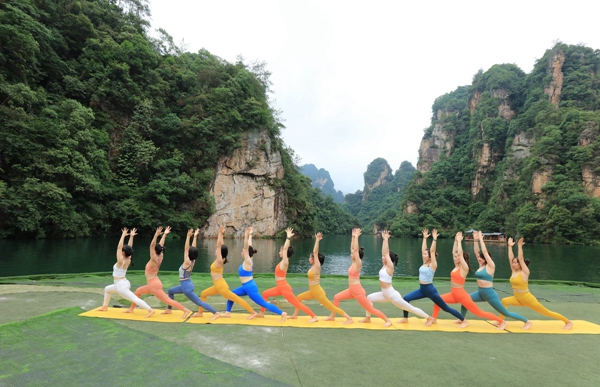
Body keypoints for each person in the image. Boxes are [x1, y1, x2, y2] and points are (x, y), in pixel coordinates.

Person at [428, 232, 506, 329]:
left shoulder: (464, 268)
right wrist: (456, 241)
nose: (455, 258)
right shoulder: (456, 266)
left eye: (457, 257)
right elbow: (454, 252)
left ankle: (502, 321)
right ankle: (434, 318)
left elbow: (459, 254)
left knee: (479, 313)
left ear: (461, 259)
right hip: (453, 294)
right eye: (455, 257)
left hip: (461, 296)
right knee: (437, 300)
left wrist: (460, 242)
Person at [461, 231, 532, 329]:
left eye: (480, 258)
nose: (479, 259)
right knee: (465, 300)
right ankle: (462, 319)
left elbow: (485, 252)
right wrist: (475, 240)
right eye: (478, 258)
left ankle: (527, 321)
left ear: (486, 258)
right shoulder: (481, 266)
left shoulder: (491, 266)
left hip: (490, 294)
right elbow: (476, 251)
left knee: (505, 312)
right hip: (480, 293)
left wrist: (481, 240)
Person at [361, 230, 432, 324]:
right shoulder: (384, 266)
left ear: (388, 259)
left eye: (384, 257)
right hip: (384, 294)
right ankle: (367, 318)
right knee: (369, 298)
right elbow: (384, 252)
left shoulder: (390, 267)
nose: (382, 257)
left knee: (411, 308)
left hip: (392, 295)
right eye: (382, 256)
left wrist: (386, 240)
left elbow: (386, 253)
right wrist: (383, 240)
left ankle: (429, 318)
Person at [501, 237, 573, 329]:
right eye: (513, 263)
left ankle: (568, 322)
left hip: (528, 299)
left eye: (515, 263)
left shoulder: (525, 272)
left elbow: (521, 258)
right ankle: (501, 321)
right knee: (504, 301)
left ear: (520, 264)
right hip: (517, 298)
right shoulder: (514, 272)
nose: (513, 264)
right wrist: (509, 247)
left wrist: (519, 246)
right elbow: (510, 258)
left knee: (547, 313)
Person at [401, 229, 467, 327]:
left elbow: (432, 251)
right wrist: (424, 238)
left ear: (430, 257)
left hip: (430, 290)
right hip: (422, 289)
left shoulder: (433, 265)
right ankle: (405, 318)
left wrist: (434, 239)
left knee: (445, 308)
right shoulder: (424, 263)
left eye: (425, 255)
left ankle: (464, 320)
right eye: (423, 254)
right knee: (406, 298)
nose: (423, 255)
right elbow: (423, 249)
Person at [327, 228, 392, 327]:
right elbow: (353, 248)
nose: (351, 254)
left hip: (357, 291)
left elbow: (355, 250)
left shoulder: (358, 263)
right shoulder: (353, 262)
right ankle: (332, 316)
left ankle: (387, 320)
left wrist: (357, 237)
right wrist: (353, 237)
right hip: (351, 290)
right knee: (336, 297)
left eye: (353, 254)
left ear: (357, 256)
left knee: (370, 309)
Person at [223, 227, 287, 322]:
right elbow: (249, 246)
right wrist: (250, 235)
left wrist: (245, 235)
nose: (241, 252)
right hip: (245, 287)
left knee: (264, 304)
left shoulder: (248, 261)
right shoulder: (249, 260)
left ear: (246, 253)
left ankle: (282, 313)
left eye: (242, 251)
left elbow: (246, 247)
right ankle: (227, 312)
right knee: (231, 295)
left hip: (250, 288)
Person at [127, 227, 191, 318]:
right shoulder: (160, 255)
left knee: (168, 301)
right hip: (153, 283)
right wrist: (164, 234)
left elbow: (151, 246)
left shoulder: (154, 259)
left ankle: (185, 310)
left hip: (154, 285)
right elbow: (160, 245)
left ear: (154, 251)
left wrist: (156, 235)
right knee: (138, 291)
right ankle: (131, 308)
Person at [292, 232, 353, 324]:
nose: (309, 258)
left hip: (318, 292)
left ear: (314, 259)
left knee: (332, 307)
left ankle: (349, 318)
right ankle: (295, 314)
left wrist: (317, 240)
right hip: (313, 291)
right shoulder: (313, 266)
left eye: (310, 257)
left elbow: (315, 252)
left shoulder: (317, 266)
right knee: (299, 298)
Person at [258, 228, 317, 322]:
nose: (279, 252)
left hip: (284, 288)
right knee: (265, 294)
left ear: (285, 253)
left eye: (280, 251)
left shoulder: (285, 262)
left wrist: (288, 238)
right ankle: (261, 313)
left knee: (297, 304)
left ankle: (314, 316)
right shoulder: (282, 262)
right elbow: (285, 249)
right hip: (279, 287)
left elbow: (285, 248)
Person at [199, 225, 257, 320]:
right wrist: (221, 234)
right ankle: (200, 312)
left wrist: (219, 234)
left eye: (217, 251)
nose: (216, 250)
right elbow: (221, 246)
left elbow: (218, 246)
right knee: (203, 294)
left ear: (220, 253)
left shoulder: (219, 261)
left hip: (221, 287)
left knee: (237, 299)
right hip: (217, 286)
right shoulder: (221, 258)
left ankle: (253, 312)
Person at [162, 228, 220, 320]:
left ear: (189, 253)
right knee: (170, 291)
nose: (188, 250)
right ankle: (169, 309)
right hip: (186, 284)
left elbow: (186, 249)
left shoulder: (187, 262)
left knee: (199, 302)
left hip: (186, 287)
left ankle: (216, 313)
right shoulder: (193, 260)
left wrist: (188, 236)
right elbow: (193, 248)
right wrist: (195, 236)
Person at [98, 228, 155, 318]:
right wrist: (131, 237)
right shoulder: (128, 258)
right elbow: (129, 248)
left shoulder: (120, 261)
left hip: (121, 286)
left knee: (134, 299)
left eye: (122, 251)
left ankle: (150, 310)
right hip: (122, 283)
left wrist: (123, 235)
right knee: (107, 289)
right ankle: (105, 307)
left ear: (123, 253)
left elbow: (119, 247)